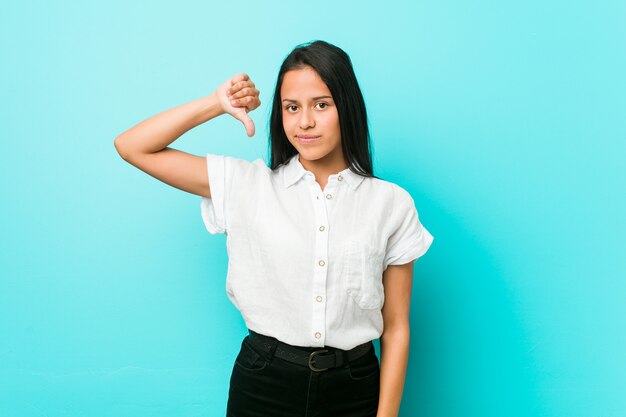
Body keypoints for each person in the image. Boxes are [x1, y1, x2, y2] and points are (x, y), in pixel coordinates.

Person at [114, 40, 434, 417]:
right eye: (291, 107)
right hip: (265, 384)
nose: (305, 122)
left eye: (322, 104)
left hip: (354, 388)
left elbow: (396, 329)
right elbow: (133, 146)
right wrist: (216, 104)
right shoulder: (246, 185)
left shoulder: (390, 203)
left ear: (346, 107)